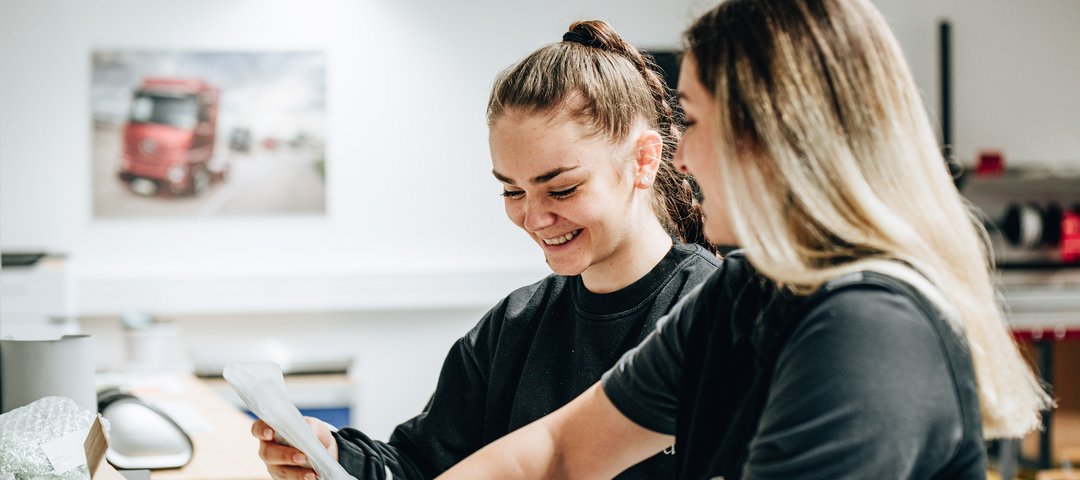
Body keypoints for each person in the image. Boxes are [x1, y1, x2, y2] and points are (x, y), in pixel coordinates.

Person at [438, 0, 1053, 478]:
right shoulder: (744, 293)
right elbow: (561, 451)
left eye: (695, 122)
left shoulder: (869, 330)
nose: (686, 160)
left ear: (773, 138)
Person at [251, 20, 720, 480]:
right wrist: (335, 456)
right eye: (512, 192)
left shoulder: (714, 313)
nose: (534, 219)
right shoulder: (514, 326)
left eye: (562, 189)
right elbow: (421, 463)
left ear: (643, 160)